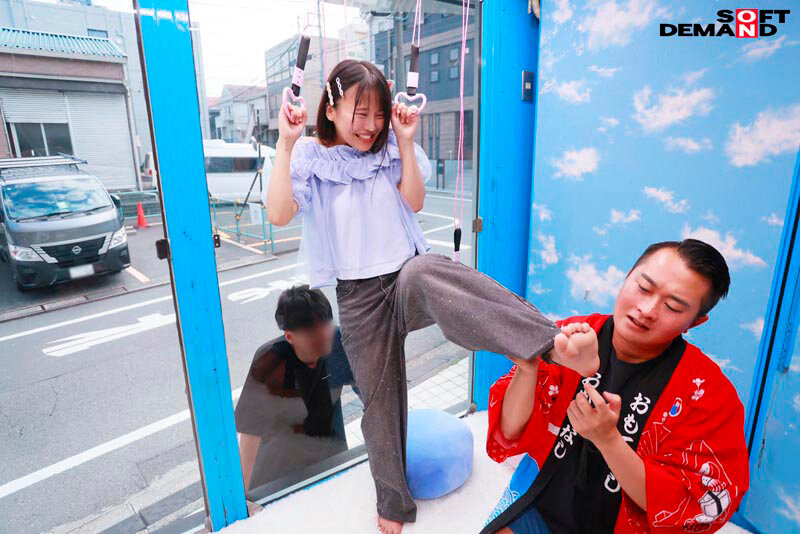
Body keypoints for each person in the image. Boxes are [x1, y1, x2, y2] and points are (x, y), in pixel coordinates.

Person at [266, 59, 598, 534]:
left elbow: (415, 202)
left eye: (379, 113)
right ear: (332, 109)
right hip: (359, 299)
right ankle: (393, 502)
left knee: (429, 270)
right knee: (379, 404)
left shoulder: (390, 148)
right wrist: (285, 143)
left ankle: (549, 342)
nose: (371, 125)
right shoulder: (311, 156)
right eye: (361, 113)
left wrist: (403, 139)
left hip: (407, 278)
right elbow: (280, 214)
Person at [483, 239, 750, 534]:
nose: (647, 309)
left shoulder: (708, 395)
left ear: (694, 323)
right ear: (627, 277)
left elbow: (694, 506)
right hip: (539, 506)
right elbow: (509, 431)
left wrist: (608, 440)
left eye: (673, 306)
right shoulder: (573, 337)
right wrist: (528, 368)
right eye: (644, 288)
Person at [234, 285, 358, 491]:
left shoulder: (339, 343)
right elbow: (250, 433)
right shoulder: (270, 360)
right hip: (279, 471)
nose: (323, 335)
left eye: (326, 324)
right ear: (289, 337)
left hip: (330, 461)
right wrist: (243, 495)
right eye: (311, 332)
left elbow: (371, 394)